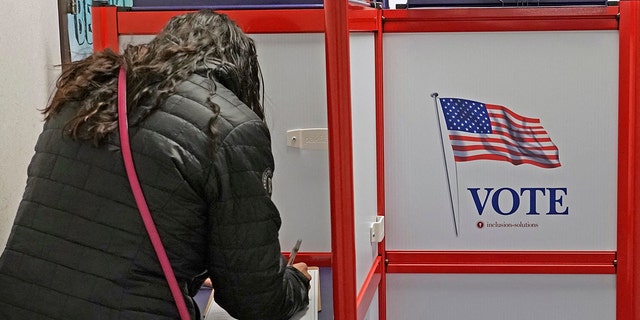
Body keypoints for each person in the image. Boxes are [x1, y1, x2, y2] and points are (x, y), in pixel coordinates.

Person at [0, 10, 311, 320]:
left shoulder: (83, 94)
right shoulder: (232, 125)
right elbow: (257, 301)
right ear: (239, 68)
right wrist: (296, 282)